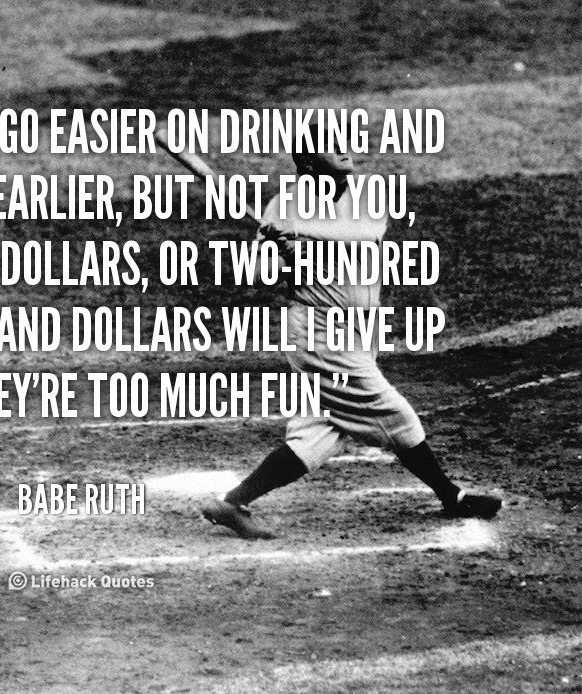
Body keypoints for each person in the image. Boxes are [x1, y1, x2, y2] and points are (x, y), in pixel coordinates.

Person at [198, 126, 502, 539]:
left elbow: (362, 238)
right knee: (396, 415)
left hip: (360, 330)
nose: (344, 151)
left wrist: (305, 241)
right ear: (308, 163)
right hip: (320, 331)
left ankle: (232, 503)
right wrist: (279, 252)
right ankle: (452, 496)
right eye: (331, 147)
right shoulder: (284, 207)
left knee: (319, 434)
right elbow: (257, 275)